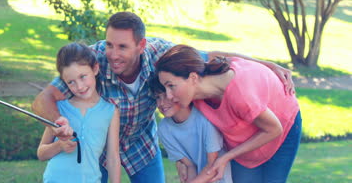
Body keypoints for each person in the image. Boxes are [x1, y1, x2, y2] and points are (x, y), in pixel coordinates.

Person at [32, 12, 294, 183]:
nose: (112, 54)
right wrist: (60, 124)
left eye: (122, 47)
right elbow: (43, 99)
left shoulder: (161, 54)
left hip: (141, 145)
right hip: (97, 149)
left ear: (141, 46)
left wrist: (267, 64)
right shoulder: (92, 60)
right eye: (110, 44)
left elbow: (210, 56)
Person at [155, 44, 302, 183]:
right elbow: (214, 54)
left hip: (282, 124)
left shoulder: (240, 95)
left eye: (171, 86)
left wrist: (226, 157)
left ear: (193, 78)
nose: (168, 96)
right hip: (245, 135)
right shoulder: (197, 72)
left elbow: (274, 129)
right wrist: (183, 162)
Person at [37, 42, 120, 183]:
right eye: (71, 82)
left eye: (83, 76)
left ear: (95, 69)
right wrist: (59, 145)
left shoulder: (110, 111)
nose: (79, 86)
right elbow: (41, 153)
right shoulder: (59, 109)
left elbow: (112, 158)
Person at [151, 76, 233, 183]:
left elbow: (213, 166)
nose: (161, 103)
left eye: (166, 96)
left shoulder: (205, 119)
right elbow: (189, 165)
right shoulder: (164, 129)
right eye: (158, 97)